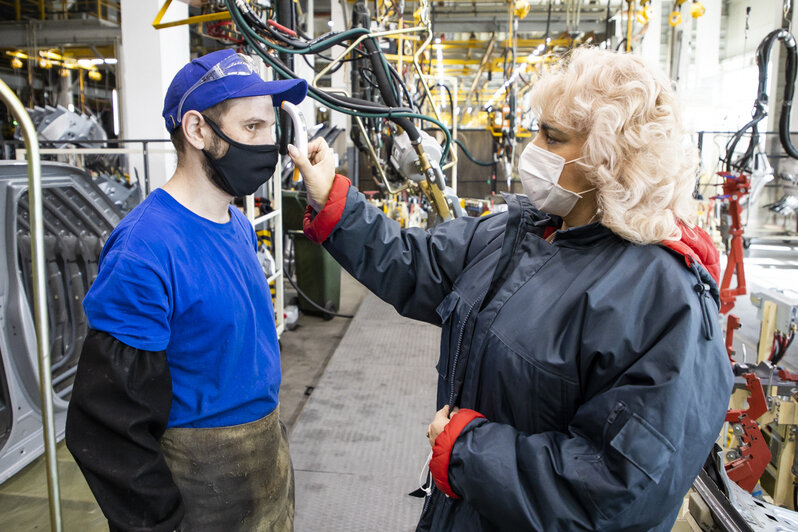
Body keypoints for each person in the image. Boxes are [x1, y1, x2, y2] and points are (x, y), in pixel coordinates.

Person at [288, 47, 733, 531]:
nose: (532, 149)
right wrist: (332, 196)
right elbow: (415, 264)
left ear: (609, 160)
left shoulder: (662, 299)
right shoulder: (521, 233)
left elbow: (620, 488)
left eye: (552, 136)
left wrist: (467, 451)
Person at [65, 49, 307, 531]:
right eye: (252, 128)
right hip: (199, 484)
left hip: (266, 463)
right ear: (198, 131)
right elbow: (108, 424)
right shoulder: (144, 251)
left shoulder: (237, 224)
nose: (269, 145)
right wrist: (161, 522)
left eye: (270, 127)